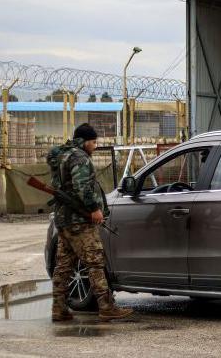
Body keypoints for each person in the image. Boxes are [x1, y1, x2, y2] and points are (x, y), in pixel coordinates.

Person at [48, 123, 133, 322]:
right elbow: (82, 187)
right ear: (85, 141)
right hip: (79, 222)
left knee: (63, 267)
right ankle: (106, 306)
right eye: (94, 142)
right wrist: (94, 209)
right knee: (95, 262)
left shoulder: (62, 155)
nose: (95, 146)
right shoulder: (79, 157)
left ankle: (58, 309)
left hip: (64, 221)